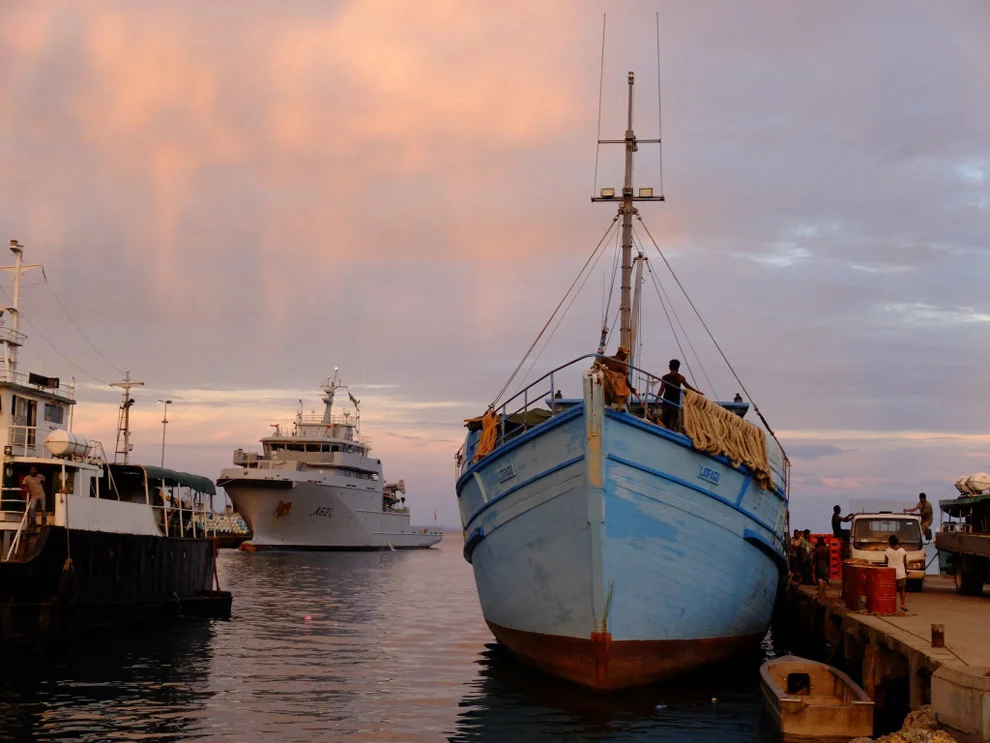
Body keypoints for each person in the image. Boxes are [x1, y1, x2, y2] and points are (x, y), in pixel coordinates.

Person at [659, 359, 701, 431]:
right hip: (675, 403)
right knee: (671, 422)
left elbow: (661, 390)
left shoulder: (665, 377)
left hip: (666, 402)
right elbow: (688, 387)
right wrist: (697, 392)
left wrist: (657, 398)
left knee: (664, 421)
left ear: (670, 367)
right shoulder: (680, 377)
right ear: (678, 367)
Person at [884, 534, 909, 613]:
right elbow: (905, 563)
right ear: (897, 542)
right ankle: (902, 604)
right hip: (901, 573)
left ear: (890, 542)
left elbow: (886, 562)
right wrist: (905, 571)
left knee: (892, 590)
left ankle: (892, 605)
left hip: (891, 573)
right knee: (902, 589)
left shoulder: (887, 551)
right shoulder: (902, 551)